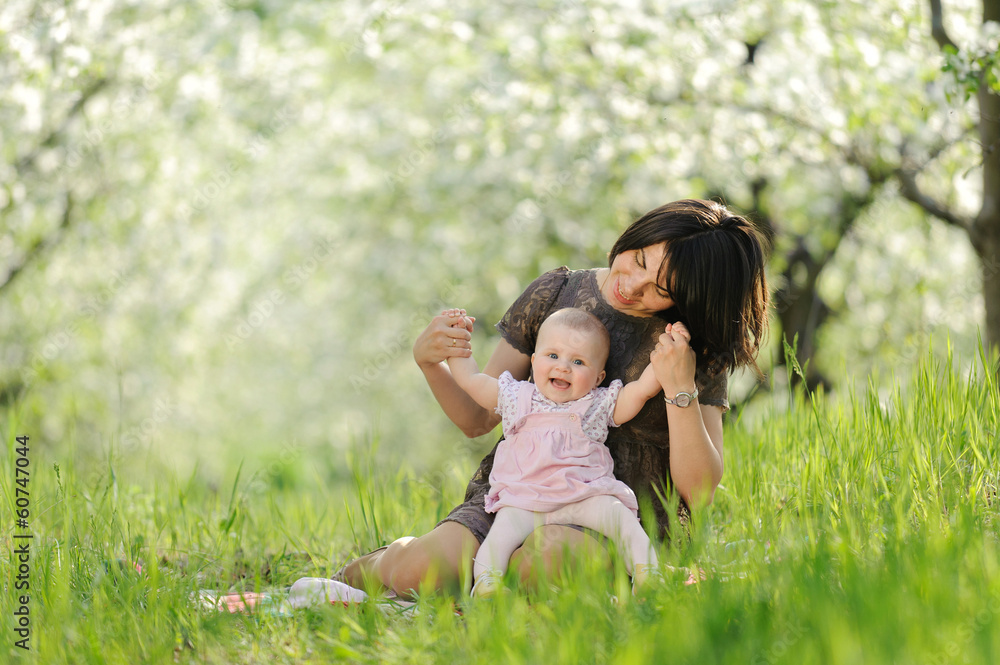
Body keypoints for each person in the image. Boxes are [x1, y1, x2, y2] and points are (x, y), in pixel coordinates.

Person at [334, 198, 770, 598]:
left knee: (540, 566)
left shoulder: (693, 346)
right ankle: (367, 568)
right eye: (637, 260)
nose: (633, 286)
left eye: (660, 289)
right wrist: (431, 363)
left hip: (617, 514)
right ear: (635, 236)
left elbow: (699, 493)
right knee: (423, 573)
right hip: (519, 492)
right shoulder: (555, 294)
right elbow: (477, 418)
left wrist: (680, 388)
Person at [446, 307, 665, 596]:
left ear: (598, 377)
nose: (563, 367)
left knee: (620, 519)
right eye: (553, 356)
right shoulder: (517, 397)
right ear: (534, 361)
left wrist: (662, 363)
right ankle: (487, 587)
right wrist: (456, 349)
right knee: (498, 540)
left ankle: (649, 576)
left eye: (578, 361)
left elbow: (638, 392)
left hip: (583, 495)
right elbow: (473, 382)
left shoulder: (596, 404)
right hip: (524, 500)